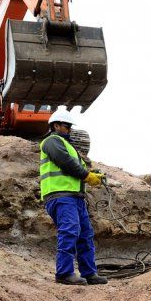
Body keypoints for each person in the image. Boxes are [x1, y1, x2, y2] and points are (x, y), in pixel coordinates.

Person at [40, 109, 107, 285]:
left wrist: (90, 173)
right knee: (69, 231)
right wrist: (87, 176)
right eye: (66, 126)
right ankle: (63, 273)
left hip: (75, 198)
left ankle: (89, 273)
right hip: (61, 197)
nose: (69, 129)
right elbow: (65, 163)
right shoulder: (51, 141)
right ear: (55, 126)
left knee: (85, 234)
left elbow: (74, 166)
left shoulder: (67, 146)